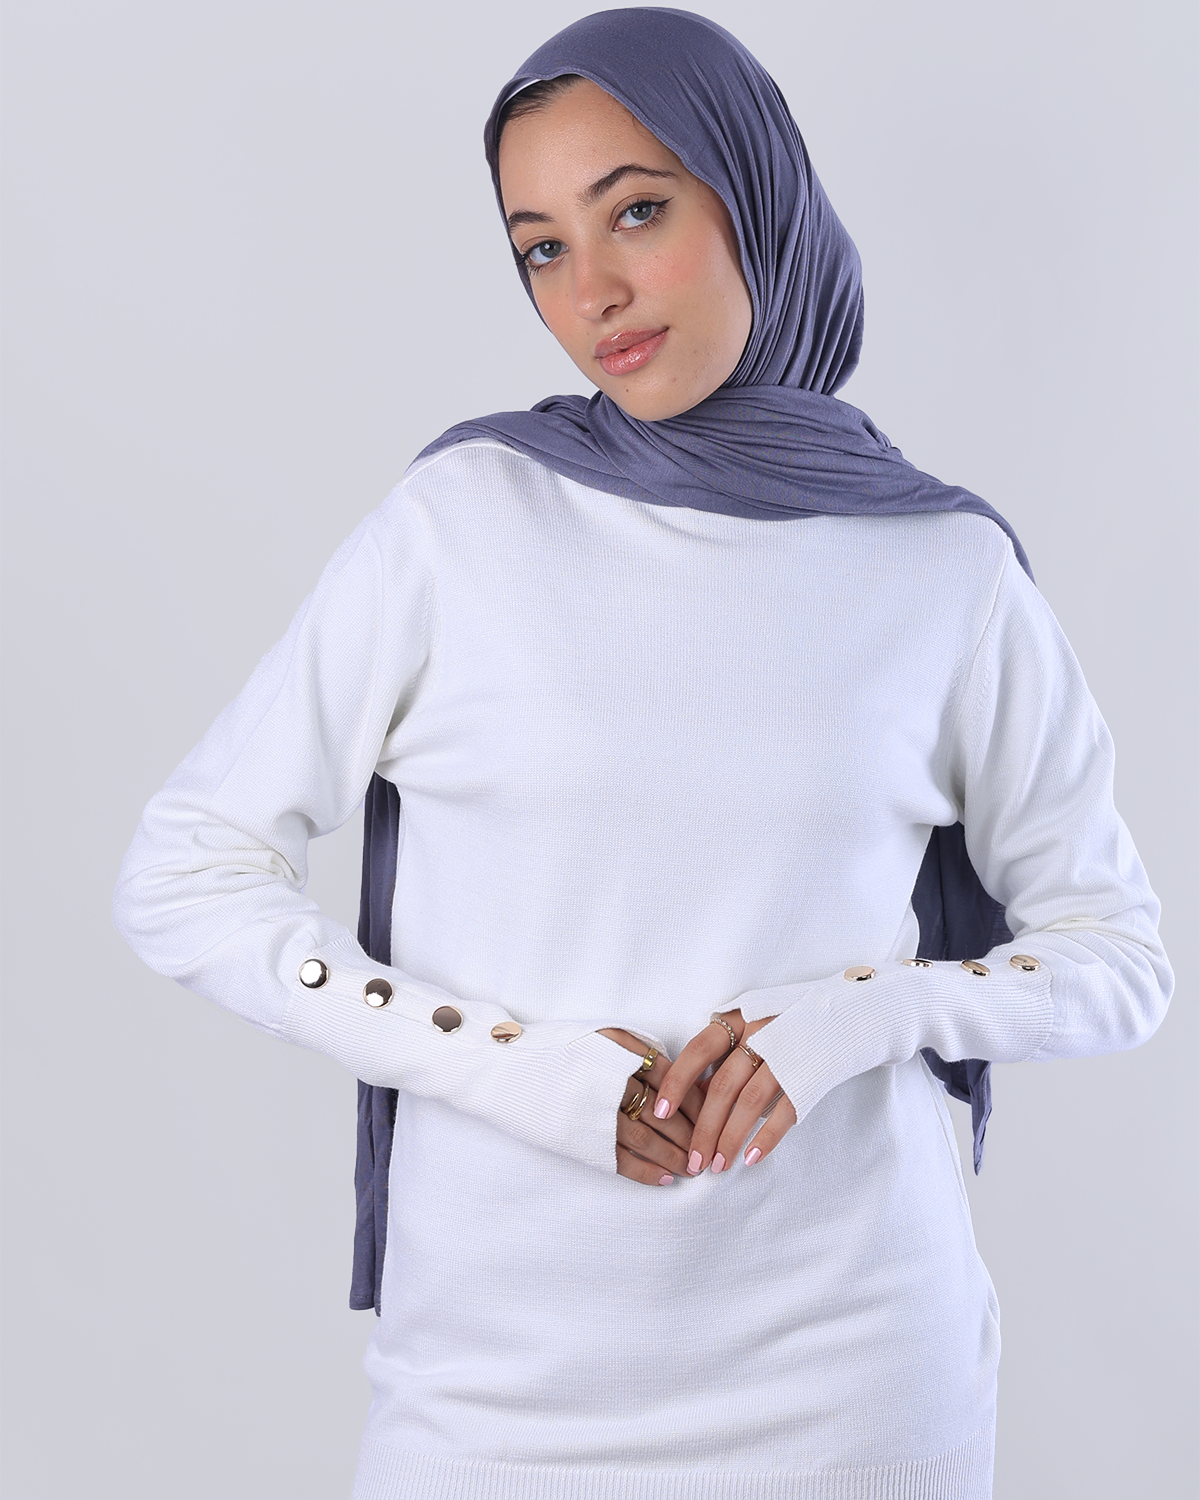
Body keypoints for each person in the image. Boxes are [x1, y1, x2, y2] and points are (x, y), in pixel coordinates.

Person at [113, 9, 1172, 1499]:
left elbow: (1118, 955)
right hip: (493, 1401)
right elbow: (186, 873)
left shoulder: (945, 569)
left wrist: (864, 1015)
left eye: (637, 212)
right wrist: (503, 1065)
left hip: (858, 1393)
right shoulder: (463, 524)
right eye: (541, 248)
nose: (591, 290)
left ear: (753, 197)